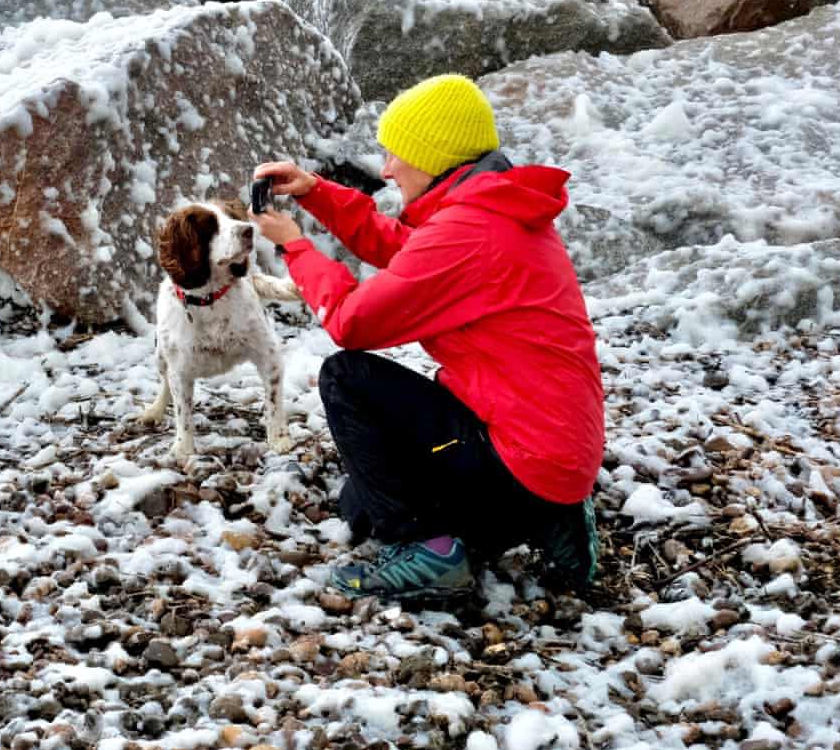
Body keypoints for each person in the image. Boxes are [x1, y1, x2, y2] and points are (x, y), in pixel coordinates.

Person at [253, 74, 604, 601]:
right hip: (559, 454)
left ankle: (430, 553)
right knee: (357, 503)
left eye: (396, 155)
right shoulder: (497, 210)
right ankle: (551, 519)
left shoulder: (469, 231)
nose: (387, 169)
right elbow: (410, 252)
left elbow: (351, 323)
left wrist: (297, 249)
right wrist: (315, 192)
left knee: (347, 378)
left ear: (433, 157)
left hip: (521, 457)